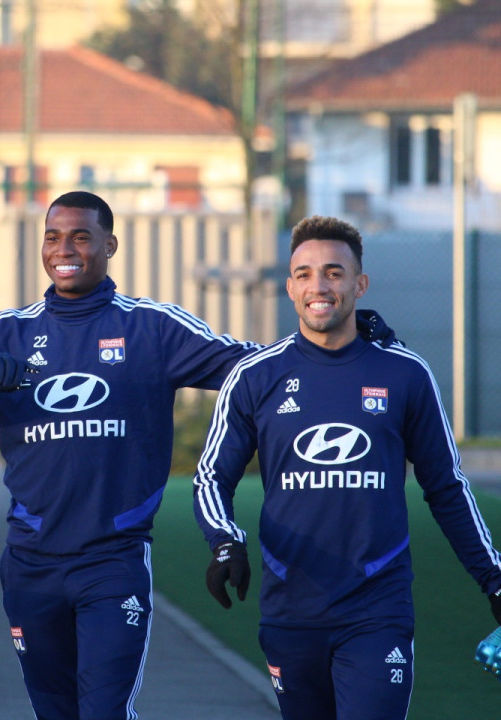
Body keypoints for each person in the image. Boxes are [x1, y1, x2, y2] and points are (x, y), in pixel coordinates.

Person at [0, 190, 293, 719]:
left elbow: (258, 369)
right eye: (52, 237)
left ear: (109, 245)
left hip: (113, 562)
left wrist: (339, 342)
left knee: (104, 712)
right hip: (29, 565)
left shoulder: (152, 328)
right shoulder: (5, 332)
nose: (64, 249)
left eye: (80, 237)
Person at [192, 215, 501, 719]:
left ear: (360, 284)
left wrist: (493, 576)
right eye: (305, 274)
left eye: (334, 273)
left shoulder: (405, 373)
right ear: (290, 288)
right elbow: (212, 477)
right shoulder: (255, 376)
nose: (319, 286)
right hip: (290, 609)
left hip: (377, 609)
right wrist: (225, 542)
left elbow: (447, 486)